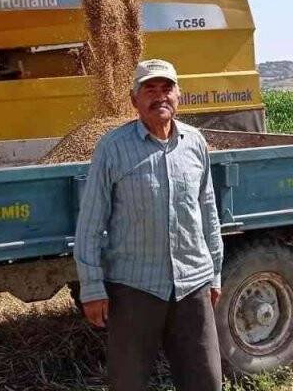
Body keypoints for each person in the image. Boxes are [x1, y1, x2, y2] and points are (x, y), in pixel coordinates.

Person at [74, 59, 224, 391]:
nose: (160, 96)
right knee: (128, 383)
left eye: (167, 88)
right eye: (150, 89)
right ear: (134, 100)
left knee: (206, 382)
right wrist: (92, 287)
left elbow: (208, 213)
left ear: (179, 95)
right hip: (135, 287)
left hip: (192, 285)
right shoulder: (113, 148)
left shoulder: (195, 143)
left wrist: (213, 274)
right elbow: (91, 222)